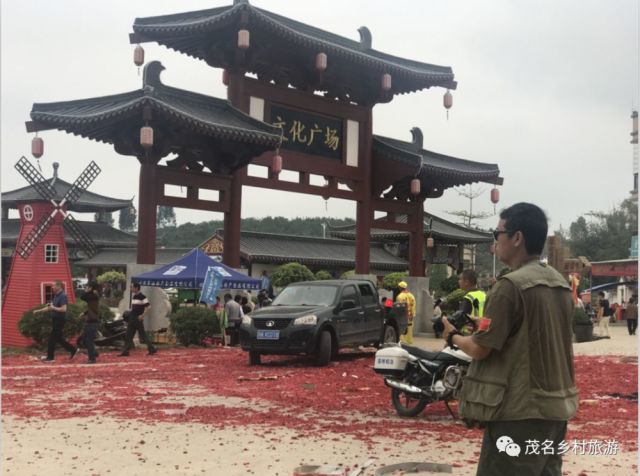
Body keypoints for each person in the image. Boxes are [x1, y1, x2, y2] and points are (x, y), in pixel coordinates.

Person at [442, 202, 577, 475]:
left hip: (518, 415)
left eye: (497, 234)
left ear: (517, 238)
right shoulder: (560, 284)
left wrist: (453, 335)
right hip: (556, 410)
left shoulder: (510, 286)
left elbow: (479, 349)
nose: (495, 241)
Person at [34, 281, 78, 362]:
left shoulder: (63, 296)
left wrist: (53, 308)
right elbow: (50, 307)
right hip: (55, 319)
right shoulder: (56, 296)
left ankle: (50, 358)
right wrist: (38, 311)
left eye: (54, 286)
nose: (52, 287)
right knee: (59, 338)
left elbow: (64, 309)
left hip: (60, 320)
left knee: (52, 338)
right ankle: (73, 349)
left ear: (59, 286)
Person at [120, 283, 157, 356]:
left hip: (137, 318)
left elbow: (148, 307)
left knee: (143, 335)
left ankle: (152, 349)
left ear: (137, 288)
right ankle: (125, 351)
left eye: (132, 287)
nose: (131, 289)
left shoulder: (142, 296)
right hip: (132, 317)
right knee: (128, 335)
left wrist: (142, 315)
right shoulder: (134, 296)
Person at [458, 269, 486, 334]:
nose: (458, 281)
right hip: (483, 332)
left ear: (466, 282)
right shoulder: (484, 295)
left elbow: (461, 318)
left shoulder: (469, 298)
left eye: (460, 279)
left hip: (469, 334)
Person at [79, 281, 101, 364]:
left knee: (89, 340)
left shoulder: (93, 296)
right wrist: (84, 313)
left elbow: (82, 297)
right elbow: (92, 307)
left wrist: (87, 291)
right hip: (90, 320)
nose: (86, 288)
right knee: (84, 339)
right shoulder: (93, 295)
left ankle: (92, 359)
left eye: (88, 287)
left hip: (93, 320)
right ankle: (94, 353)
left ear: (91, 288)